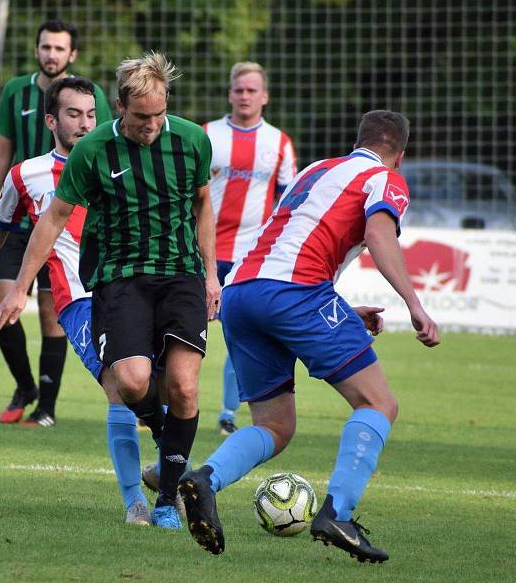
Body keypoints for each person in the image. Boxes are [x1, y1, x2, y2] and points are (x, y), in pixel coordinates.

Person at [178, 110, 440, 563]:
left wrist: (342, 310)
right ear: (399, 154)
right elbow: (380, 236)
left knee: (275, 426)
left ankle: (204, 479)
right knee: (379, 403)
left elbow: (294, 241)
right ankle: (337, 512)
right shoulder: (386, 179)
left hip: (242, 292)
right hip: (296, 292)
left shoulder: (316, 170)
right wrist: (415, 305)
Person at [0, 51, 219, 530]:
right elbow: (53, 219)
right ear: (119, 107)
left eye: (159, 114)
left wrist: (212, 274)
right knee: (133, 382)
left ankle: (163, 501)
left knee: (184, 385)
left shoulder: (194, 141)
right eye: (140, 117)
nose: (152, 125)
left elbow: (202, 206)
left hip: (181, 275)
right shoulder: (93, 151)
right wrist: (19, 288)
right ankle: (163, 433)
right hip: (120, 277)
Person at [0, 77, 151, 524]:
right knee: (119, 387)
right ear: (51, 120)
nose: (84, 123)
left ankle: (170, 480)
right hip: (78, 297)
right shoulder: (27, 174)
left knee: (168, 389)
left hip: (139, 289)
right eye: (74, 114)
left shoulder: (126, 159)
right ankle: (136, 501)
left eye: (92, 114)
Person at [0, 19, 113, 426]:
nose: (51, 53)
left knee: (53, 310)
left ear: (71, 54)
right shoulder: (15, 91)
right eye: (46, 46)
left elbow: (105, 143)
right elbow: (3, 152)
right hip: (19, 215)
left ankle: (47, 408)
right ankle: (25, 384)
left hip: (64, 218)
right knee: (1, 300)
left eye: (59, 48)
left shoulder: (89, 95)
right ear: (37, 49)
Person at [205, 61, 297, 435]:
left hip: (248, 258)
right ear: (230, 94)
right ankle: (162, 407)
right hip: (203, 252)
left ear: (265, 96)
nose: (244, 96)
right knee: (178, 332)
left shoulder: (279, 143)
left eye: (251, 90)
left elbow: (285, 204)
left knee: (238, 336)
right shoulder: (206, 135)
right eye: (238, 90)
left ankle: (229, 413)